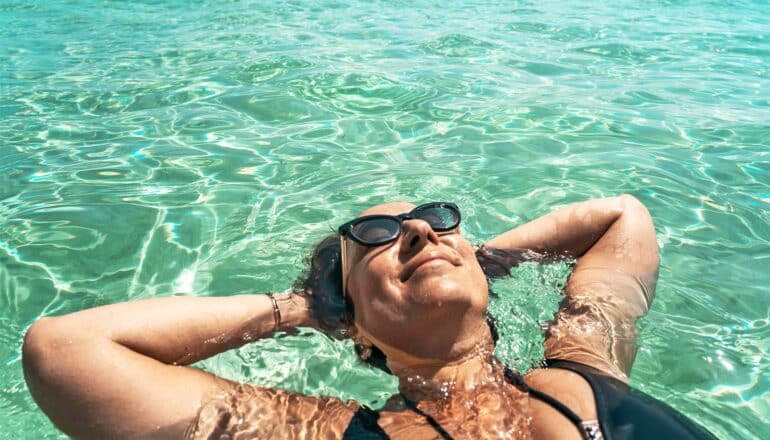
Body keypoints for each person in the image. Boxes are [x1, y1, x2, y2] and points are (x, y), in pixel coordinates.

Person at [22, 195, 717, 439]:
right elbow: (66, 350)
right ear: (350, 322)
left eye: (433, 219)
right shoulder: (332, 434)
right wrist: (306, 307)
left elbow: (621, 216)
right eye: (377, 234)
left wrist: (474, 256)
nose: (417, 231)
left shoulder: (585, 356)